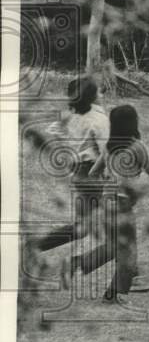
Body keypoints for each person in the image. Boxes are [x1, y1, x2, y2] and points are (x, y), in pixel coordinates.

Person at [66, 104, 149, 302]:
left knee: (116, 247)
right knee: (127, 253)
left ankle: (81, 266)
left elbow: (92, 173)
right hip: (123, 206)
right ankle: (106, 290)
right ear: (133, 124)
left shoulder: (109, 146)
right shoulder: (138, 147)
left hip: (107, 203)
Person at [30, 76, 109, 252]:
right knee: (109, 221)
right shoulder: (99, 118)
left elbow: (53, 131)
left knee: (84, 227)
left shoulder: (71, 115)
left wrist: (69, 153)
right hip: (93, 173)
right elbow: (106, 151)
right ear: (92, 95)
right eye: (98, 90)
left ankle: (34, 246)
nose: (101, 92)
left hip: (79, 173)